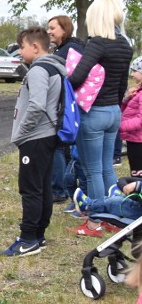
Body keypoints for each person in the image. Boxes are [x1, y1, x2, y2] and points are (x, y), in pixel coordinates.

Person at [68, 0, 133, 233]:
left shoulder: (97, 43)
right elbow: (120, 85)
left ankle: (95, 220)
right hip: (113, 111)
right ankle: (116, 216)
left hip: (94, 112)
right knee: (107, 167)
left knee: (92, 169)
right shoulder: (125, 44)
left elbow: (77, 77)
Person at [0, 27, 65, 257]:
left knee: (30, 189)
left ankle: (27, 239)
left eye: (21, 47)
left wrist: (21, 133)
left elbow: (36, 105)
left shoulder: (38, 70)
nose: (19, 51)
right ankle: (39, 234)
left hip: (35, 138)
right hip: (47, 137)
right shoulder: (54, 67)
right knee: (42, 186)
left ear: (35, 47)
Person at [47, 14, 85, 206]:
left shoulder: (71, 49)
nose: (49, 31)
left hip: (69, 106)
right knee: (64, 149)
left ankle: (59, 189)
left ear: (64, 28)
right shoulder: (62, 48)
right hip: (63, 104)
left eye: (52, 28)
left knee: (59, 146)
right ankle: (64, 187)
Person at [121, 57, 142, 178]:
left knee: (137, 176)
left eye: (134, 71)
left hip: (138, 142)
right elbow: (127, 112)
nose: (132, 74)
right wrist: (126, 100)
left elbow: (140, 120)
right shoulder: (137, 92)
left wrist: (120, 126)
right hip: (133, 139)